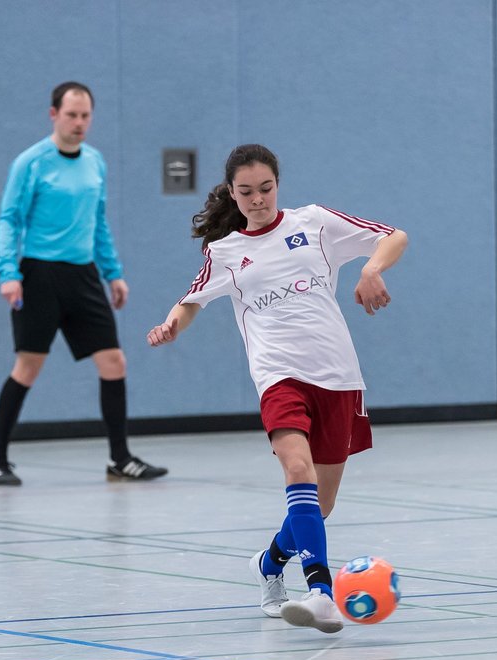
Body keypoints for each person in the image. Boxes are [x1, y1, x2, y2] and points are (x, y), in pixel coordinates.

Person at [148, 144, 408, 632]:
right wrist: (171, 325)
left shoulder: (314, 222)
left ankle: (269, 563)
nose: (258, 199)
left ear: (278, 185)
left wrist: (372, 269)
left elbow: (394, 236)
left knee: (321, 504)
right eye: (246, 192)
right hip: (278, 376)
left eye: (266, 189)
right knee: (296, 467)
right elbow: (191, 301)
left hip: (337, 375)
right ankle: (320, 591)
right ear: (232, 193)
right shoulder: (224, 252)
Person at [0, 81, 167, 486]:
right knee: (28, 367)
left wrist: (113, 272)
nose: (79, 122)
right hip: (39, 274)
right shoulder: (30, 162)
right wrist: (8, 274)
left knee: (113, 361)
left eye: (85, 115)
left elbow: (98, 221)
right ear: (54, 115)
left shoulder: (95, 162)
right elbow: (8, 219)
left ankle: (120, 459)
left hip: (84, 275)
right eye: (71, 115)